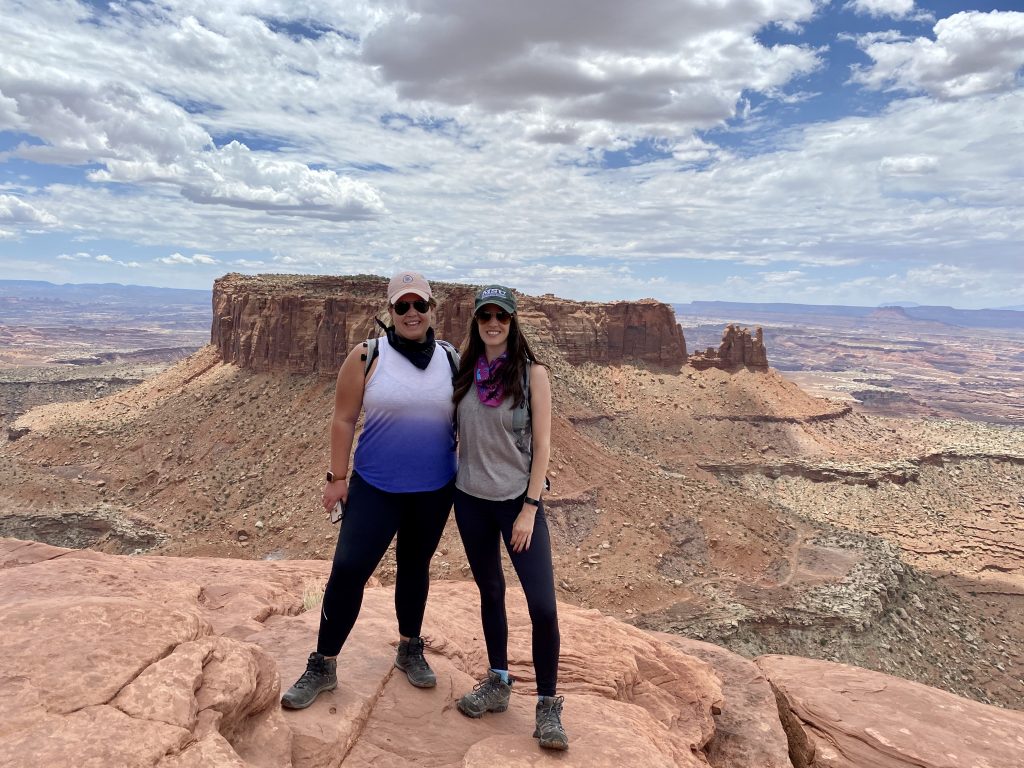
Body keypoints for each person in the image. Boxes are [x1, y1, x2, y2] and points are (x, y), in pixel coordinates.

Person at [281, 271, 457, 709]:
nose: (412, 313)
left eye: (420, 304)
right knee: (348, 571)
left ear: (432, 308)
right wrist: (336, 479)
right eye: (402, 306)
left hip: (434, 489)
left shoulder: (451, 359)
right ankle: (323, 663)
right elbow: (343, 418)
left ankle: (409, 648)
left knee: (415, 568)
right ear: (390, 310)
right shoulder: (367, 356)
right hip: (375, 488)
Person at [451, 285, 568, 751]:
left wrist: (529, 508)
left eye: (501, 316)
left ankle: (547, 705)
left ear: (513, 321)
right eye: (485, 317)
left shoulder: (532, 373)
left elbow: (543, 445)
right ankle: (498, 680)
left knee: (542, 606)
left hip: (517, 505)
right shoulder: (464, 372)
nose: (493, 323)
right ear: (477, 323)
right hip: (470, 501)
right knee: (491, 591)